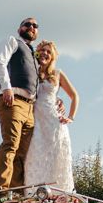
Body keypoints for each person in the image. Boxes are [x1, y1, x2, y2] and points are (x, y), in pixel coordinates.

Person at [23, 40, 79, 192]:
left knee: (55, 163)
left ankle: (58, 197)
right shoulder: (31, 72)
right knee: (33, 161)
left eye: (49, 52)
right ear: (36, 52)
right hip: (36, 124)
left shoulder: (58, 74)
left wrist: (70, 117)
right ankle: (33, 198)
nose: (45, 53)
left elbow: (74, 95)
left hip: (54, 124)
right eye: (42, 50)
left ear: (53, 57)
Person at [0, 17, 40, 191]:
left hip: (29, 107)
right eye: (27, 24)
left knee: (22, 153)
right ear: (19, 28)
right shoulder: (12, 41)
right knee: (10, 145)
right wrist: (6, 87)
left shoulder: (34, 55)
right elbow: (0, 63)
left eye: (35, 26)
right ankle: (1, 192)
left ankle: (17, 194)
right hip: (14, 100)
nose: (31, 27)